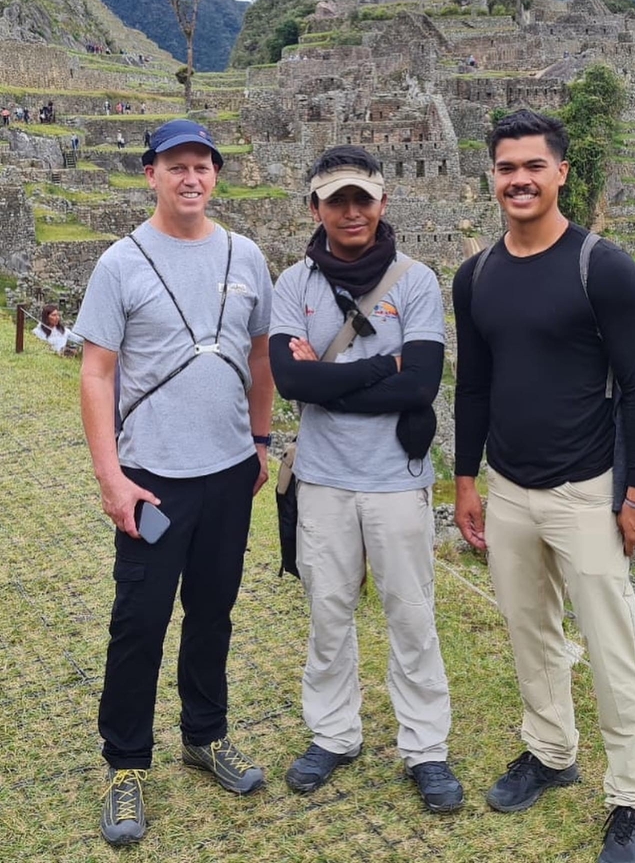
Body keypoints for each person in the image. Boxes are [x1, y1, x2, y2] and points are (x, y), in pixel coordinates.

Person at [452, 109, 635, 863]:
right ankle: (549, 751)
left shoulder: (601, 267)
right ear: (493, 176)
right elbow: (473, 387)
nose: (519, 180)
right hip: (508, 488)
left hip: (587, 489)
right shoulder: (476, 275)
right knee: (529, 632)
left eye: (533, 166)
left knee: (614, 650)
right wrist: (465, 480)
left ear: (561, 172)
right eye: (506, 168)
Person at [74, 119, 274, 846]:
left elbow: (259, 359)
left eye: (203, 166)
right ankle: (126, 765)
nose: (191, 178)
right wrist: (111, 478)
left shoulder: (246, 254)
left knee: (214, 611)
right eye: (176, 166)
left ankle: (205, 733)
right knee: (138, 623)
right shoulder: (119, 263)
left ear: (216, 176)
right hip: (152, 479)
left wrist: (260, 441)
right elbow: (96, 373)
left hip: (228, 474)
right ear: (151, 175)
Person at [269, 145, 464, 814]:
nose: (350, 212)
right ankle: (334, 733)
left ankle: (425, 747)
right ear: (315, 208)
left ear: (382, 203)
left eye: (362, 198)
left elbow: (423, 384)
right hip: (323, 481)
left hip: (395, 480)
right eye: (336, 200)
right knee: (328, 616)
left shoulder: (413, 281)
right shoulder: (295, 284)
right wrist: (382, 370)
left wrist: (330, 387)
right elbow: (292, 381)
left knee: (411, 616)